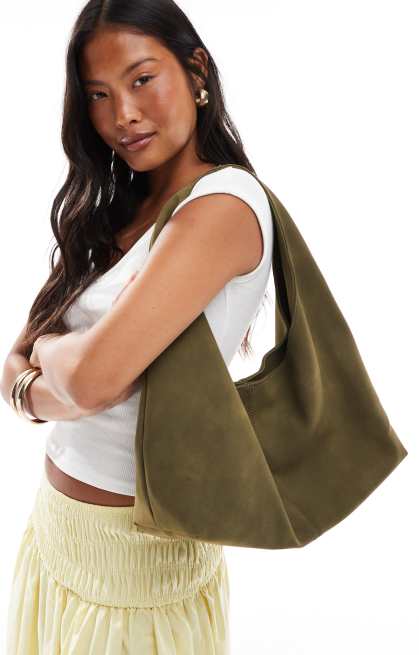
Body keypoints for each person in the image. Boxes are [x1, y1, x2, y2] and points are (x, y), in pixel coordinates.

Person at [2, 1, 274, 652]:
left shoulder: (222, 207)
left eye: (141, 79)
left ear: (196, 70)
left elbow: (93, 383)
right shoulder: (124, 203)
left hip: (137, 578)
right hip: (57, 539)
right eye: (98, 94)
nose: (121, 114)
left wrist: (47, 367)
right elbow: (21, 360)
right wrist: (50, 376)